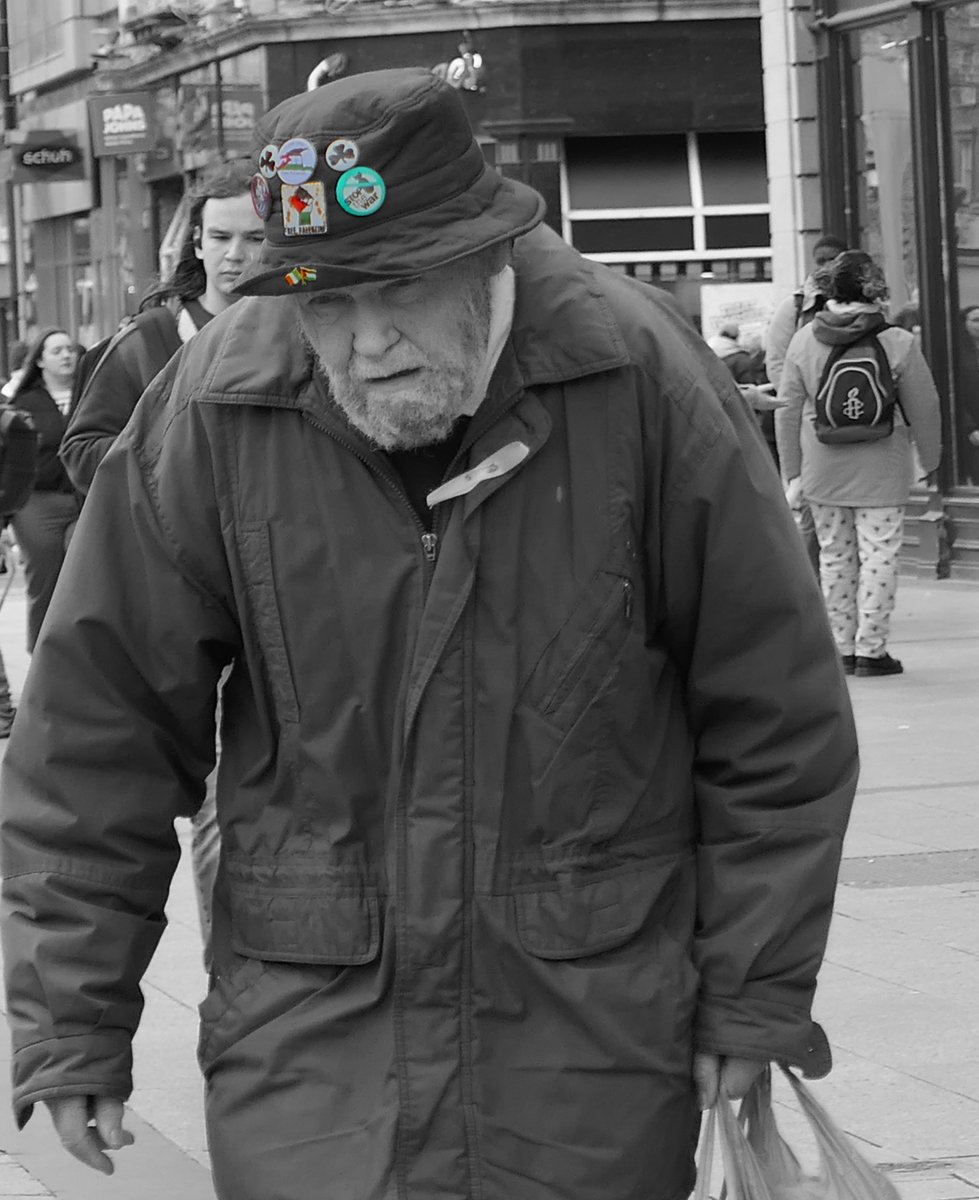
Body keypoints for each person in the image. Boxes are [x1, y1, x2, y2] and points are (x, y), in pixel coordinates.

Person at [1, 69, 859, 1200]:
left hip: (586, 1036)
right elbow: (96, 724)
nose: (359, 345)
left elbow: (774, 716)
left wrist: (751, 992)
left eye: (391, 294)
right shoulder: (215, 403)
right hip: (306, 1036)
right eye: (320, 303)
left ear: (483, 255)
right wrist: (73, 1016)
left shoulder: (640, 377)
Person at [775, 250, 942, 678]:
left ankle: (842, 647)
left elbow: (787, 410)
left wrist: (791, 471)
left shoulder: (804, 340)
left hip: (822, 467)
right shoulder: (898, 341)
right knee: (880, 554)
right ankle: (872, 650)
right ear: (874, 289)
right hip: (883, 466)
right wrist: (932, 460)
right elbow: (926, 407)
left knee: (834, 556)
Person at [61, 159, 264, 495]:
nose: (235, 254)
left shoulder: (304, 335)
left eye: (254, 238)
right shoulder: (148, 340)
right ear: (198, 242)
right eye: (220, 237)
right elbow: (81, 455)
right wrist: (178, 450)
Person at [766, 235, 849, 572]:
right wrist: (805, 403)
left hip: (858, 423)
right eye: (821, 260)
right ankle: (813, 593)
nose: (827, 266)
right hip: (811, 425)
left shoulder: (865, 305)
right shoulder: (796, 306)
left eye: (834, 259)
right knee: (813, 514)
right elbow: (777, 364)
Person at [4, 329, 80, 652]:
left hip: (84, 500)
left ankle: (83, 657)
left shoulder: (91, 393)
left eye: (70, 349)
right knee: (46, 582)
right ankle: (44, 657)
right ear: (39, 360)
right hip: (37, 504)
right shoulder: (24, 403)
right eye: (57, 351)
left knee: (84, 577)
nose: (66, 356)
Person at [954, 305, 979, 485]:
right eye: (976, 320)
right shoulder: (958, 355)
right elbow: (955, 395)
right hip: (973, 429)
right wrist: (970, 427)